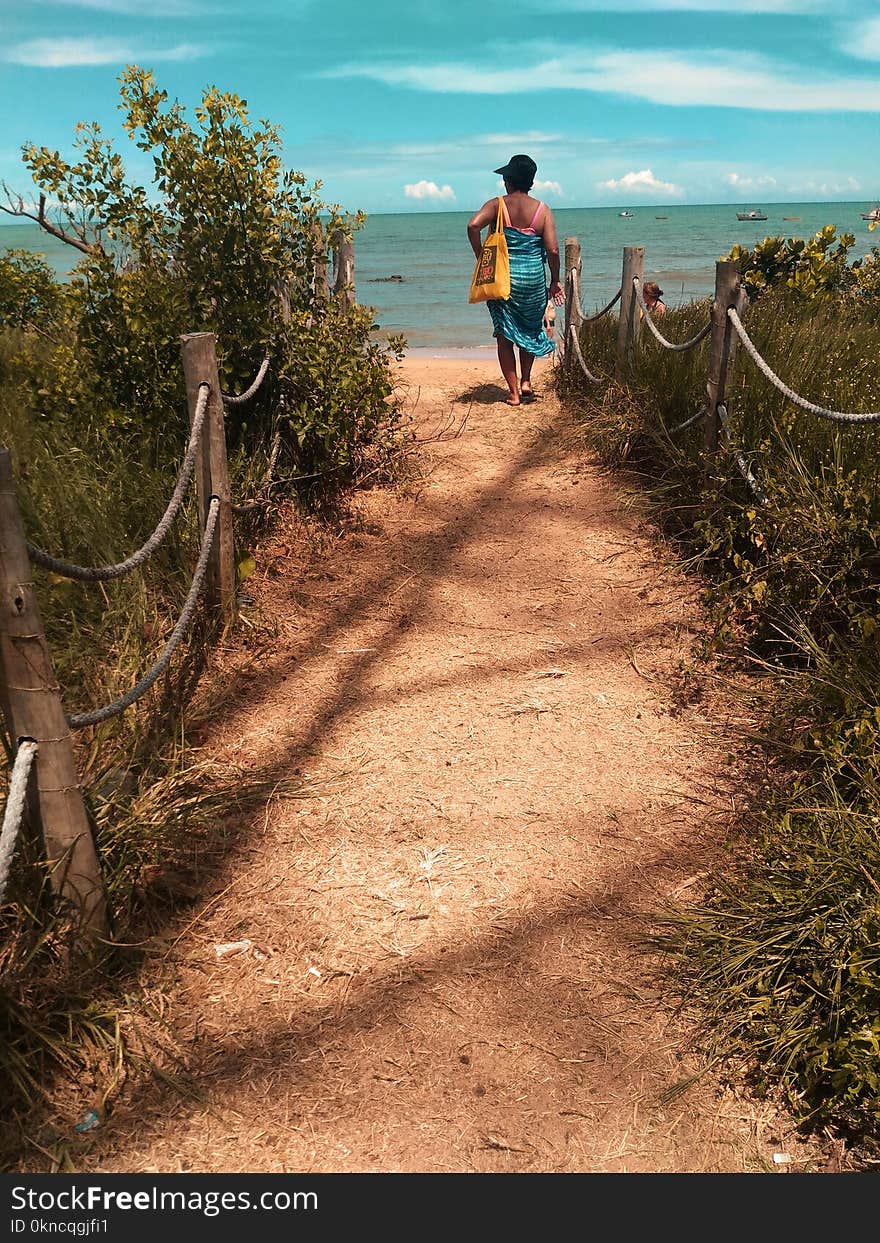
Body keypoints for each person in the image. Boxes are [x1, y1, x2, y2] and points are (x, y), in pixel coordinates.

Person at [467, 154, 564, 406]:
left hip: (503, 280)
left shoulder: (497, 205)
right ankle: (526, 381)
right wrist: (555, 281)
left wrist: (481, 257)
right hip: (532, 280)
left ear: (509, 181)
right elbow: (553, 250)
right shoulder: (542, 210)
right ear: (530, 181)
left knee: (505, 334)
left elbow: (473, 226)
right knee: (529, 329)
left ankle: (513, 393)